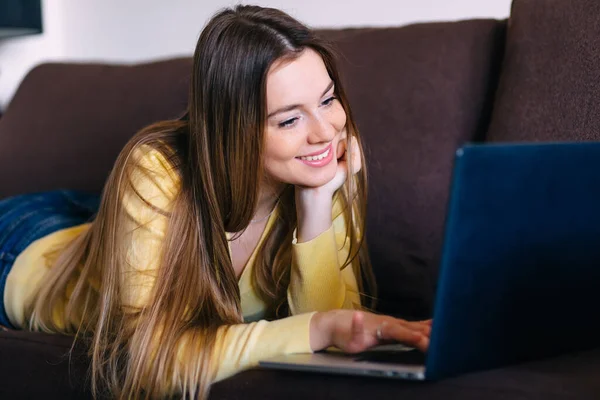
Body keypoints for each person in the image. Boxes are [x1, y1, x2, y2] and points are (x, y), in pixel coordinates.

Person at [0, 5, 431, 399]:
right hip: (26, 245)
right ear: (233, 129)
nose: (326, 131)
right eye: (290, 119)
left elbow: (334, 342)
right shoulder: (154, 167)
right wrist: (319, 329)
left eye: (328, 99)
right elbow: (150, 360)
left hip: (107, 220)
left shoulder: (316, 169)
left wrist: (317, 203)